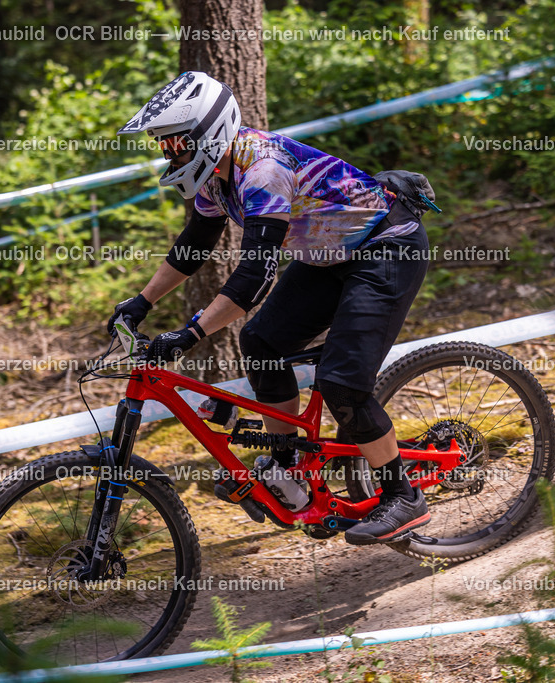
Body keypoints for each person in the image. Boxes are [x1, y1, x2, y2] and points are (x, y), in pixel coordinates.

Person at [108, 71, 433, 545]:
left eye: (174, 142)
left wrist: (191, 333)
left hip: (386, 249)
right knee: (261, 342)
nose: (167, 153)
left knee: (342, 383)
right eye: (163, 145)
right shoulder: (216, 176)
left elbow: (254, 276)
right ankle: (289, 464)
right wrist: (140, 302)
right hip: (330, 254)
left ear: (207, 135)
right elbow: (194, 246)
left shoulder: (262, 169)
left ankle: (402, 496)